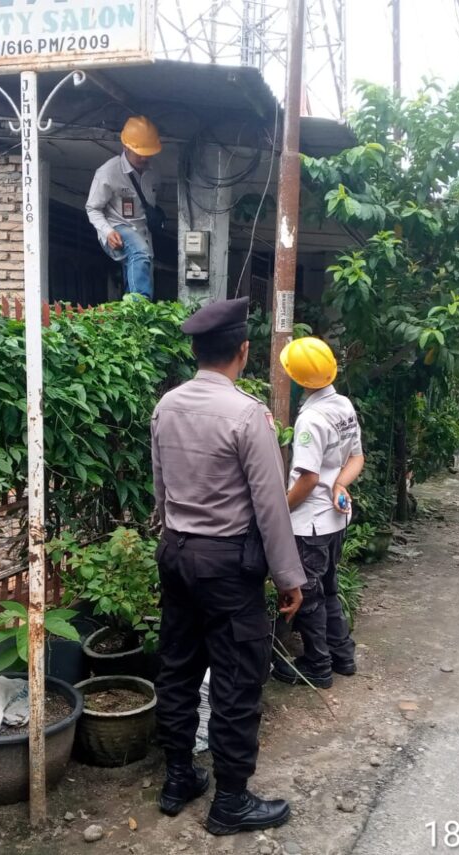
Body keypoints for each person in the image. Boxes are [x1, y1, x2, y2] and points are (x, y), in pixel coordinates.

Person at [150, 296, 305, 836]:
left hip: (177, 553)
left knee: (178, 666)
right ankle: (231, 802)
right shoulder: (247, 415)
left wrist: (172, 535)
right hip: (227, 564)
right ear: (242, 351)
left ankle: (178, 778)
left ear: (196, 350)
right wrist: (289, 577)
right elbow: (270, 505)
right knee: (237, 678)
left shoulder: (167, 406)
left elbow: (160, 486)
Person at [272, 337, 364, 689]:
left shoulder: (311, 418)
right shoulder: (343, 405)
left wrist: (279, 510)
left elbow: (308, 478)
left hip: (309, 524)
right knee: (327, 588)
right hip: (335, 520)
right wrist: (340, 485)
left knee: (308, 595)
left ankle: (317, 665)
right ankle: (343, 656)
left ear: (297, 379)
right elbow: (357, 457)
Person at [85, 115, 162, 300]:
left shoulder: (154, 174)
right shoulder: (108, 172)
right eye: (139, 153)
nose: (144, 157)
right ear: (126, 147)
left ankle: (131, 315)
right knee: (139, 253)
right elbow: (92, 208)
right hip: (116, 228)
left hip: (144, 235)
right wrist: (108, 232)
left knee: (142, 271)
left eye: (148, 153)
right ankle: (139, 309)